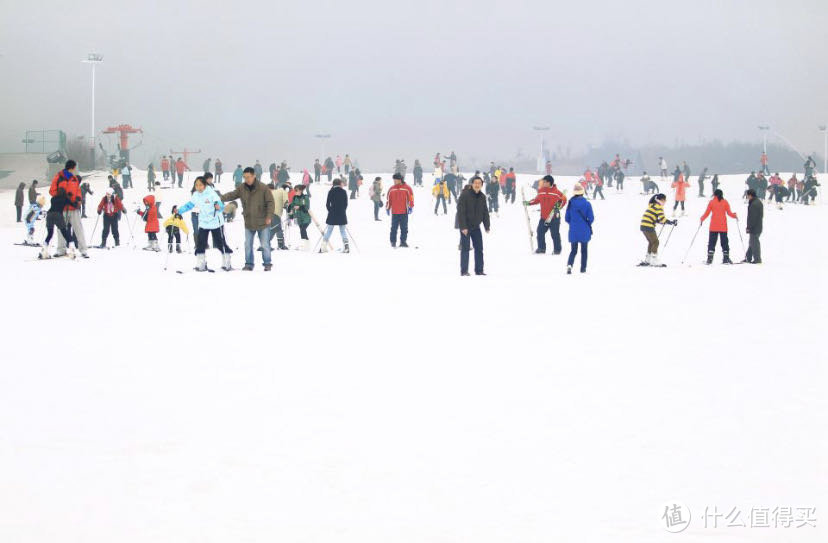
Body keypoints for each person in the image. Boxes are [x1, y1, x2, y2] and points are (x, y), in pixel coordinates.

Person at [221, 166, 275, 271]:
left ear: (254, 176)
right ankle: (249, 264)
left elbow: (270, 203)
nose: (247, 179)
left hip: (263, 221)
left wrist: (269, 216)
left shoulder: (263, 188)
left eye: (249, 177)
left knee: (265, 244)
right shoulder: (242, 188)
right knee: (248, 244)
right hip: (249, 222)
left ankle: (267, 264)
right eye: (245, 177)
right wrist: (220, 198)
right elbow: (232, 195)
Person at [177, 176, 232, 271]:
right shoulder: (195, 195)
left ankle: (226, 261)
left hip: (216, 222)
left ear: (205, 185)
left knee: (220, 243)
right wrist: (179, 211)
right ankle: (201, 263)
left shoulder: (211, 194)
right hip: (203, 222)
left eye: (200, 185)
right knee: (201, 243)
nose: (198, 187)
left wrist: (219, 207)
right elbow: (189, 205)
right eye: (197, 185)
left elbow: (221, 205)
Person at [49, 160, 89, 258]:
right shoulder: (58, 177)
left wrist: (78, 200)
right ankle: (61, 249)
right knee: (61, 228)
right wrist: (59, 194)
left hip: (73, 207)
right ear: (72, 168)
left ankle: (83, 249)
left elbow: (78, 191)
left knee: (78, 228)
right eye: (74, 168)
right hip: (62, 207)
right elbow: (52, 191)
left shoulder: (74, 179)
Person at [456, 175, 490, 276]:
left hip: (476, 227)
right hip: (466, 226)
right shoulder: (465, 195)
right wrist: (463, 227)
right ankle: (464, 271)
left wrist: (487, 226)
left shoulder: (482, 197)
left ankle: (479, 270)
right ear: (472, 184)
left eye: (479, 183)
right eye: (475, 183)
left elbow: (485, 212)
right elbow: (460, 212)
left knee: (479, 249)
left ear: (482, 185)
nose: (477, 185)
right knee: (465, 249)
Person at [525, 175, 567, 254]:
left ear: (549, 183)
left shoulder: (557, 192)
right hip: (544, 217)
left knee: (555, 234)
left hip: (554, 217)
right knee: (540, 232)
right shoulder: (541, 191)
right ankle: (541, 248)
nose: (543, 183)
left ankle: (557, 250)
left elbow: (564, 200)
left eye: (544, 182)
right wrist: (528, 203)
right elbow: (536, 200)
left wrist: (559, 206)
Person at [39, 186, 78, 260]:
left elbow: (56, 202)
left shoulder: (53, 198)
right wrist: (73, 199)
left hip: (49, 214)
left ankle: (44, 251)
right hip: (58, 215)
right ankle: (72, 250)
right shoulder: (65, 198)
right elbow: (74, 205)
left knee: (49, 234)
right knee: (65, 233)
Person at [700, 189, 737, 264]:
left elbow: (707, 213)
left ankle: (709, 259)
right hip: (723, 226)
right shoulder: (725, 202)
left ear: (715, 194)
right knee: (724, 242)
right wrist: (734, 216)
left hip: (713, 226)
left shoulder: (711, 202)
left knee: (712, 242)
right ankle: (726, 258)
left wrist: (702, 218)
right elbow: (729, 213)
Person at [639, 194, 677, 266]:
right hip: (648, 226)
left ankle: (648, 259)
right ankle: (654, 260)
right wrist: (671, 222)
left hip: (643, 225)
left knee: (651, 242)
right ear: (661, 200)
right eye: (664, 200)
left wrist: (665, 222)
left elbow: (655, 219)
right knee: (656, 242)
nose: (665, 201)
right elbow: (663, 219)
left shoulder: (652, 205)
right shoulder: (659, 207)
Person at [564, 184, 594, 274]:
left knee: (573, 250)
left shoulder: (570, 204)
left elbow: (566, 218)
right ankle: (583, 268)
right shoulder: (587, 204)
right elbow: (591, 218)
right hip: (584, 230)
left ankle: (570, 265)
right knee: (584, 250)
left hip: (573, 230)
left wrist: (573, 224)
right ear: (582, 193)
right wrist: (587, 224)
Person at [320, 179, 349, 253]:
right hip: (341, 213)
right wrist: (343, 210)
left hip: (332, 213)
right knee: (343, 230)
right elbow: (346, 204)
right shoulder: (343, 191)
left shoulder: (331, 191)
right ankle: (346, 246)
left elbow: (327, 204)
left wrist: (330, 211)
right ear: (340, 183)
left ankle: (323, 246)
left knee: (329, 230)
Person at [386, 173, 413, 247]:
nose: (394, 181)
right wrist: (388, 208)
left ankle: (403, 242)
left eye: (395, 180)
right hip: (395, 212)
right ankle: (393, 242)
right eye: (393, 180)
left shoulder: (407, 188)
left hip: (404, 212)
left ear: (400, 180)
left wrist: (411, 206)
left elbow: (411, 198)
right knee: (394, 228)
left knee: (404, 228)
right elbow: (388, 199)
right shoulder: (392, 189)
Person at [287, 184, 311, 250]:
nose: (295, 192)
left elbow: (307, 207)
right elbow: (292, 205)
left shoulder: (305, 197)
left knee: (303, 229)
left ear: (300, 191)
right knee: (301, 230)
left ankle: (306, 245)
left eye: (296, 190)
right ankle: (304, 245)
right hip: (299, 217)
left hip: (306, 217)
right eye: (294, 190)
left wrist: (299, 207)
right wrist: (289, 208)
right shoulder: (295, 197)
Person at [743, 189, 763, 264]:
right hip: (758, 226)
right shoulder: (757, 202)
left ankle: (757, 259)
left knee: (754, 243)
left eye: (747, 195)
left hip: (755, 227)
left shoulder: (754, 204)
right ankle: (748, 257)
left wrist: (749, 227)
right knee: (752, 242)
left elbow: (752, 218)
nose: (747, 197)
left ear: (750, 195)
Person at [269, 182, 290, 250]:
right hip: (275, 213)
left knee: (277, 228)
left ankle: (280, 244)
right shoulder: (283, 191)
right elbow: (286, 202)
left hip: (270, 212)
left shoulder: (275, 192)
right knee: (276, 228)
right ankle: (265, 244)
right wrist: (287, 207)